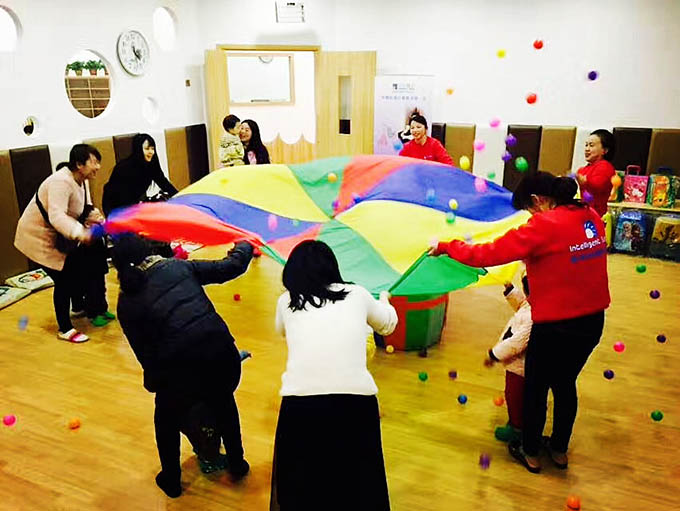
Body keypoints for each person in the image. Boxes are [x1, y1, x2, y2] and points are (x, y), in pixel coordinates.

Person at [430, 172, 610, 473]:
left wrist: (447, 246)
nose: (528, 216)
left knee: (536, 388)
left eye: (527, 210)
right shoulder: (589, 214)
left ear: (538, 201)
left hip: (556, 326)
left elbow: (487, 252)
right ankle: (559, 450)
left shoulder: (543, 225)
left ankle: (530, 452)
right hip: (592, 322)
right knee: (565, 384)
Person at [112, 234, 254, 498]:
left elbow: (147, 355)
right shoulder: (177, 267)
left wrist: (157, 388)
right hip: (223, 357)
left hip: (181, 372)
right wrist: (243, 246)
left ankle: (172, 480)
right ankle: (237, 463)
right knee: (223, 402)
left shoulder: (127, 303)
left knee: (165, 419)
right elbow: (230, 268)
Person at [271, 240, 397, 511]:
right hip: (355, 403)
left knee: (303, 480)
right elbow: (387, 324)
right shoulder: (357, 294)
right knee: (357, 478)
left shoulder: (286, 301)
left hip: (300, 404)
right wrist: (384, 299)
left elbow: (281, 330)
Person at [14, 144, 110, 343]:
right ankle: (65, 328)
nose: (97, 166)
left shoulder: (81, 180)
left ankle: (77, 307)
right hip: (38, 237)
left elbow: (84, 208)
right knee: (64, 280)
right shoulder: (61, 181)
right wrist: (80, 233)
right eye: (93, 162)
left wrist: (98, 221)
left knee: (76, 269)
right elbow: (57, 216)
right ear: (78, 164)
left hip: (59, 238)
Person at [485, 275, 532, 443]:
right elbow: (522, 304)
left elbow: (516, 343)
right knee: (518, 396)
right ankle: (519, 422)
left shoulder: (532, 317)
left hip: (519, 367)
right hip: (518, 365)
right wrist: (511, 290)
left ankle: (517, 428)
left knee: (515, 396)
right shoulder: (532, 304)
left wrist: (494, 355)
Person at [102, 133, 178, 216]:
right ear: (138, 149)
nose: (151, 152)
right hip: (115, 207)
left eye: (152, 149)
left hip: (132, 206)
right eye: (147, 149)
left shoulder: (151, 164)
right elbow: (116, 195)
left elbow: (163, 182)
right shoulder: (123, 168)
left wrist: (179, 197)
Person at [576, 129, 616, 217]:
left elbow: (598, 185)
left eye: (591, 145)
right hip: (585, 213)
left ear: (604, 150)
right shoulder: (583, 169)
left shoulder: (605, 166)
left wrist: (585, 181)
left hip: (597, 216)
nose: (587, 149)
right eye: (586, 145)